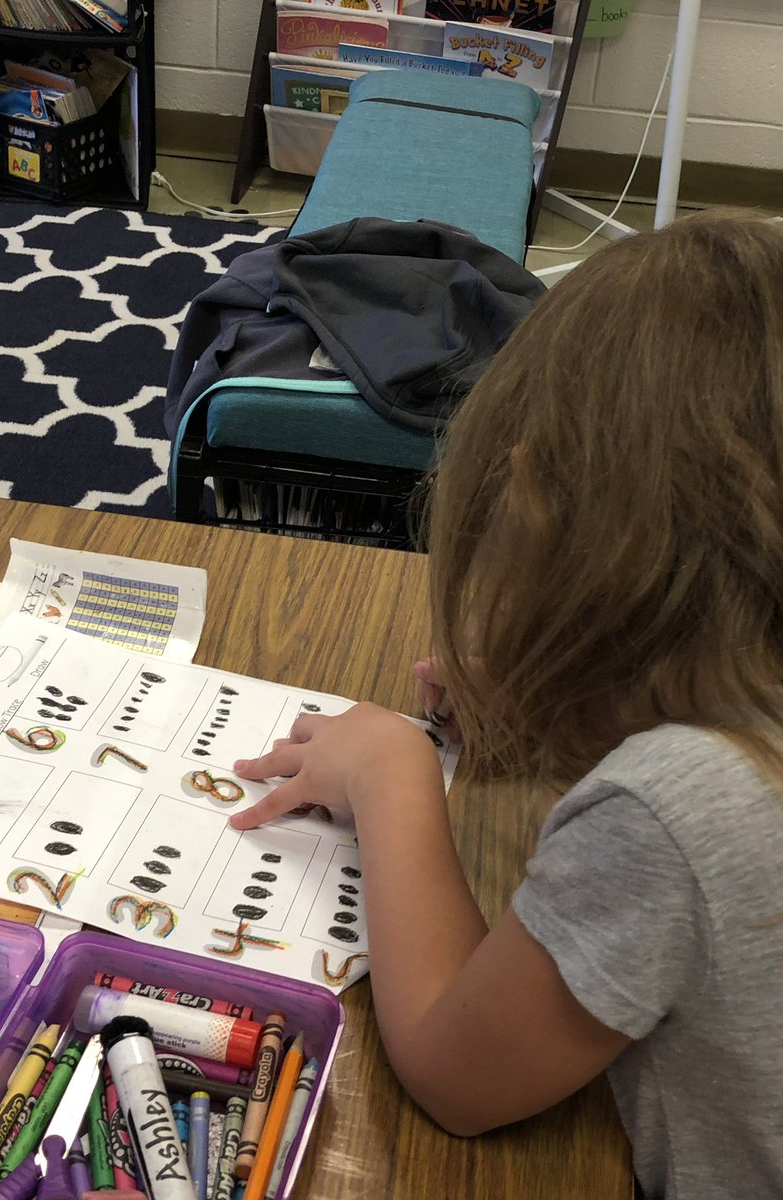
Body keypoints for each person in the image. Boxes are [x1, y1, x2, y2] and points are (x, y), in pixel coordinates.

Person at [229, 209, 783, 1200]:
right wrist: (546, 691)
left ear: (535, 511)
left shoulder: (682, 804)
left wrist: (394, 768)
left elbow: (458, 1076)